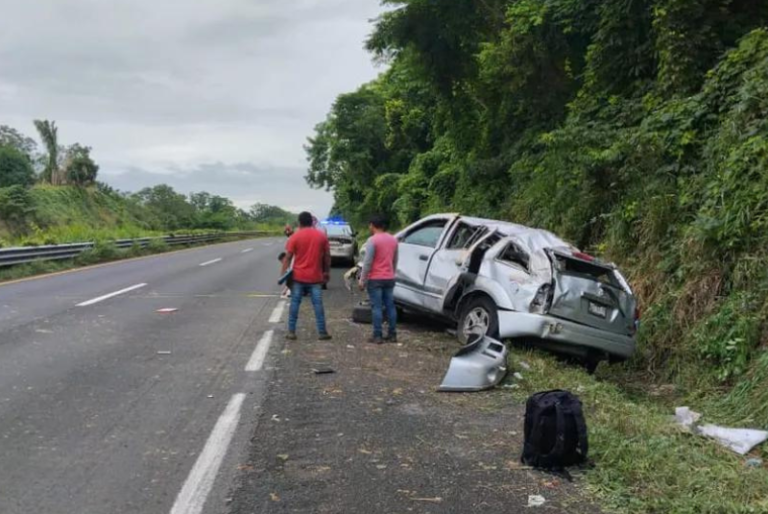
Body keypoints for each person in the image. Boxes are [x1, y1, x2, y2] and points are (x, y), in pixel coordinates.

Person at [281, 211, 332, 340]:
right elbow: (327, 257)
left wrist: (283, 274)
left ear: (299, 222)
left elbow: (288, 257)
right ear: (311, 221)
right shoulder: (321, 237)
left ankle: (291, 331)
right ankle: (322, 332)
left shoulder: (295, 237)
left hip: (298, 277)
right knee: (318, 304)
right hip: (315, 277)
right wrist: (326, 272)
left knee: (295, 303)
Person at [358, 215, 399, 344]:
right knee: (390, 306)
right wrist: (392, 273)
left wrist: (362, 279)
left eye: (369, 225)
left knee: (376, 307)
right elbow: (395, 260)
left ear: (372, 225)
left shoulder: (372, 240)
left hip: (375, 278)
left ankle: (377, 335)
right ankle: (392, 334)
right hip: (389, 277)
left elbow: (368, 262)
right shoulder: (393, 240)